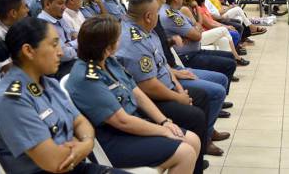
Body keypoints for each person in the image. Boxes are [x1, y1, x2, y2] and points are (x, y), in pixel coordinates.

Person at [0, 17, 127, 173]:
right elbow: (56, 162)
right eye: (54, 45)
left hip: (76, 166)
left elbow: (81, 122)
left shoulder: (48, 83)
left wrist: (86, 143)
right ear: (29, 51)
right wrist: (84, 145)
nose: (60, 52)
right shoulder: (11, 100)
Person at [66, 16, 200, 172]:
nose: (121, 41)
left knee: (193, 140)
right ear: (108, 48)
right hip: (114, 140)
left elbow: (137, 93)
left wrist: (164, 122)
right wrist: (163, 131)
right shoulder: (86, 78)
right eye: (117, 39)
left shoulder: (108, 62)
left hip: (134, 124)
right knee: (186, 152)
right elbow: (121, 121)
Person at [116, 0, 227, 159]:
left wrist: (180, 89)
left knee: (202, 97)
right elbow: (147, 86)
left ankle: (200, 148)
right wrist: (177, 98)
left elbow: (163, 65)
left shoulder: (146, 29)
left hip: (166, 87)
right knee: (195, 116)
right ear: (148, 16)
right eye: (156, 13)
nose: (158, 16)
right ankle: (193, 157)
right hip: (150, 98)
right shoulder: (134, 41)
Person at [137, 0, 234, 111]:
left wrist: (173, 39)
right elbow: (196, 34)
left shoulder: (166, 13)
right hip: (184, 59)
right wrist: (175, 74)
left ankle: (217, 103)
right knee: (220, 79)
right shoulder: (161, 15)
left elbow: (193, 31)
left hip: (174, 65)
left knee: (225, 68)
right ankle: (216, 104)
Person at [160, 0, 237, 89]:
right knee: (229, 64)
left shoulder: (176, 11)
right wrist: (194, 31)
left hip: (195, 51)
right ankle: (219, 95)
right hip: (188, 56)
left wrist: (193, 30)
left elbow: (197, 25)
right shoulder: (172, 15)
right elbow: (197, 35)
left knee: (230, 57)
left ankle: (220, 93)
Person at [180, 0, 248, 65]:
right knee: (224, 30)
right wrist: (197, 11)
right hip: (196, 38)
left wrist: (197, 8)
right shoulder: (185, 9)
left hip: (199, 33)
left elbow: (199, 24)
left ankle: (228, 64)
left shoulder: (192, 6)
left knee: (224, 40)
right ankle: (236, 57)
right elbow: (198, 26)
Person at [37, 0, 78, 78]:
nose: (64, 7)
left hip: (71, 61)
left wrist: (69, 44)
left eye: (64, 3)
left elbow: (73, 33)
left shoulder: (58, 17)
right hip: (58, 69)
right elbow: (63, 54)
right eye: (60, 3)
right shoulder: (43, 24)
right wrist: (78, 46)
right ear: (47, 4)